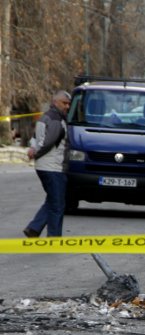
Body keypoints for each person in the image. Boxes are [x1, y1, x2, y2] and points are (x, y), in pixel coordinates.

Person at [23, 90, 71, 238]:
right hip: (53, 168)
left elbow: (35, 137)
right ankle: (54, 238)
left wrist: (33, 148)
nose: (67, 106)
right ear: (55, 102)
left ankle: (34, 228)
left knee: (52, 199)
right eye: (64, 103)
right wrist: (36, 152)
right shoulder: (56, 120)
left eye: (68, 103)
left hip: (45, 167)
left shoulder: (45, 117)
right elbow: (47, 142)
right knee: (57, 205)